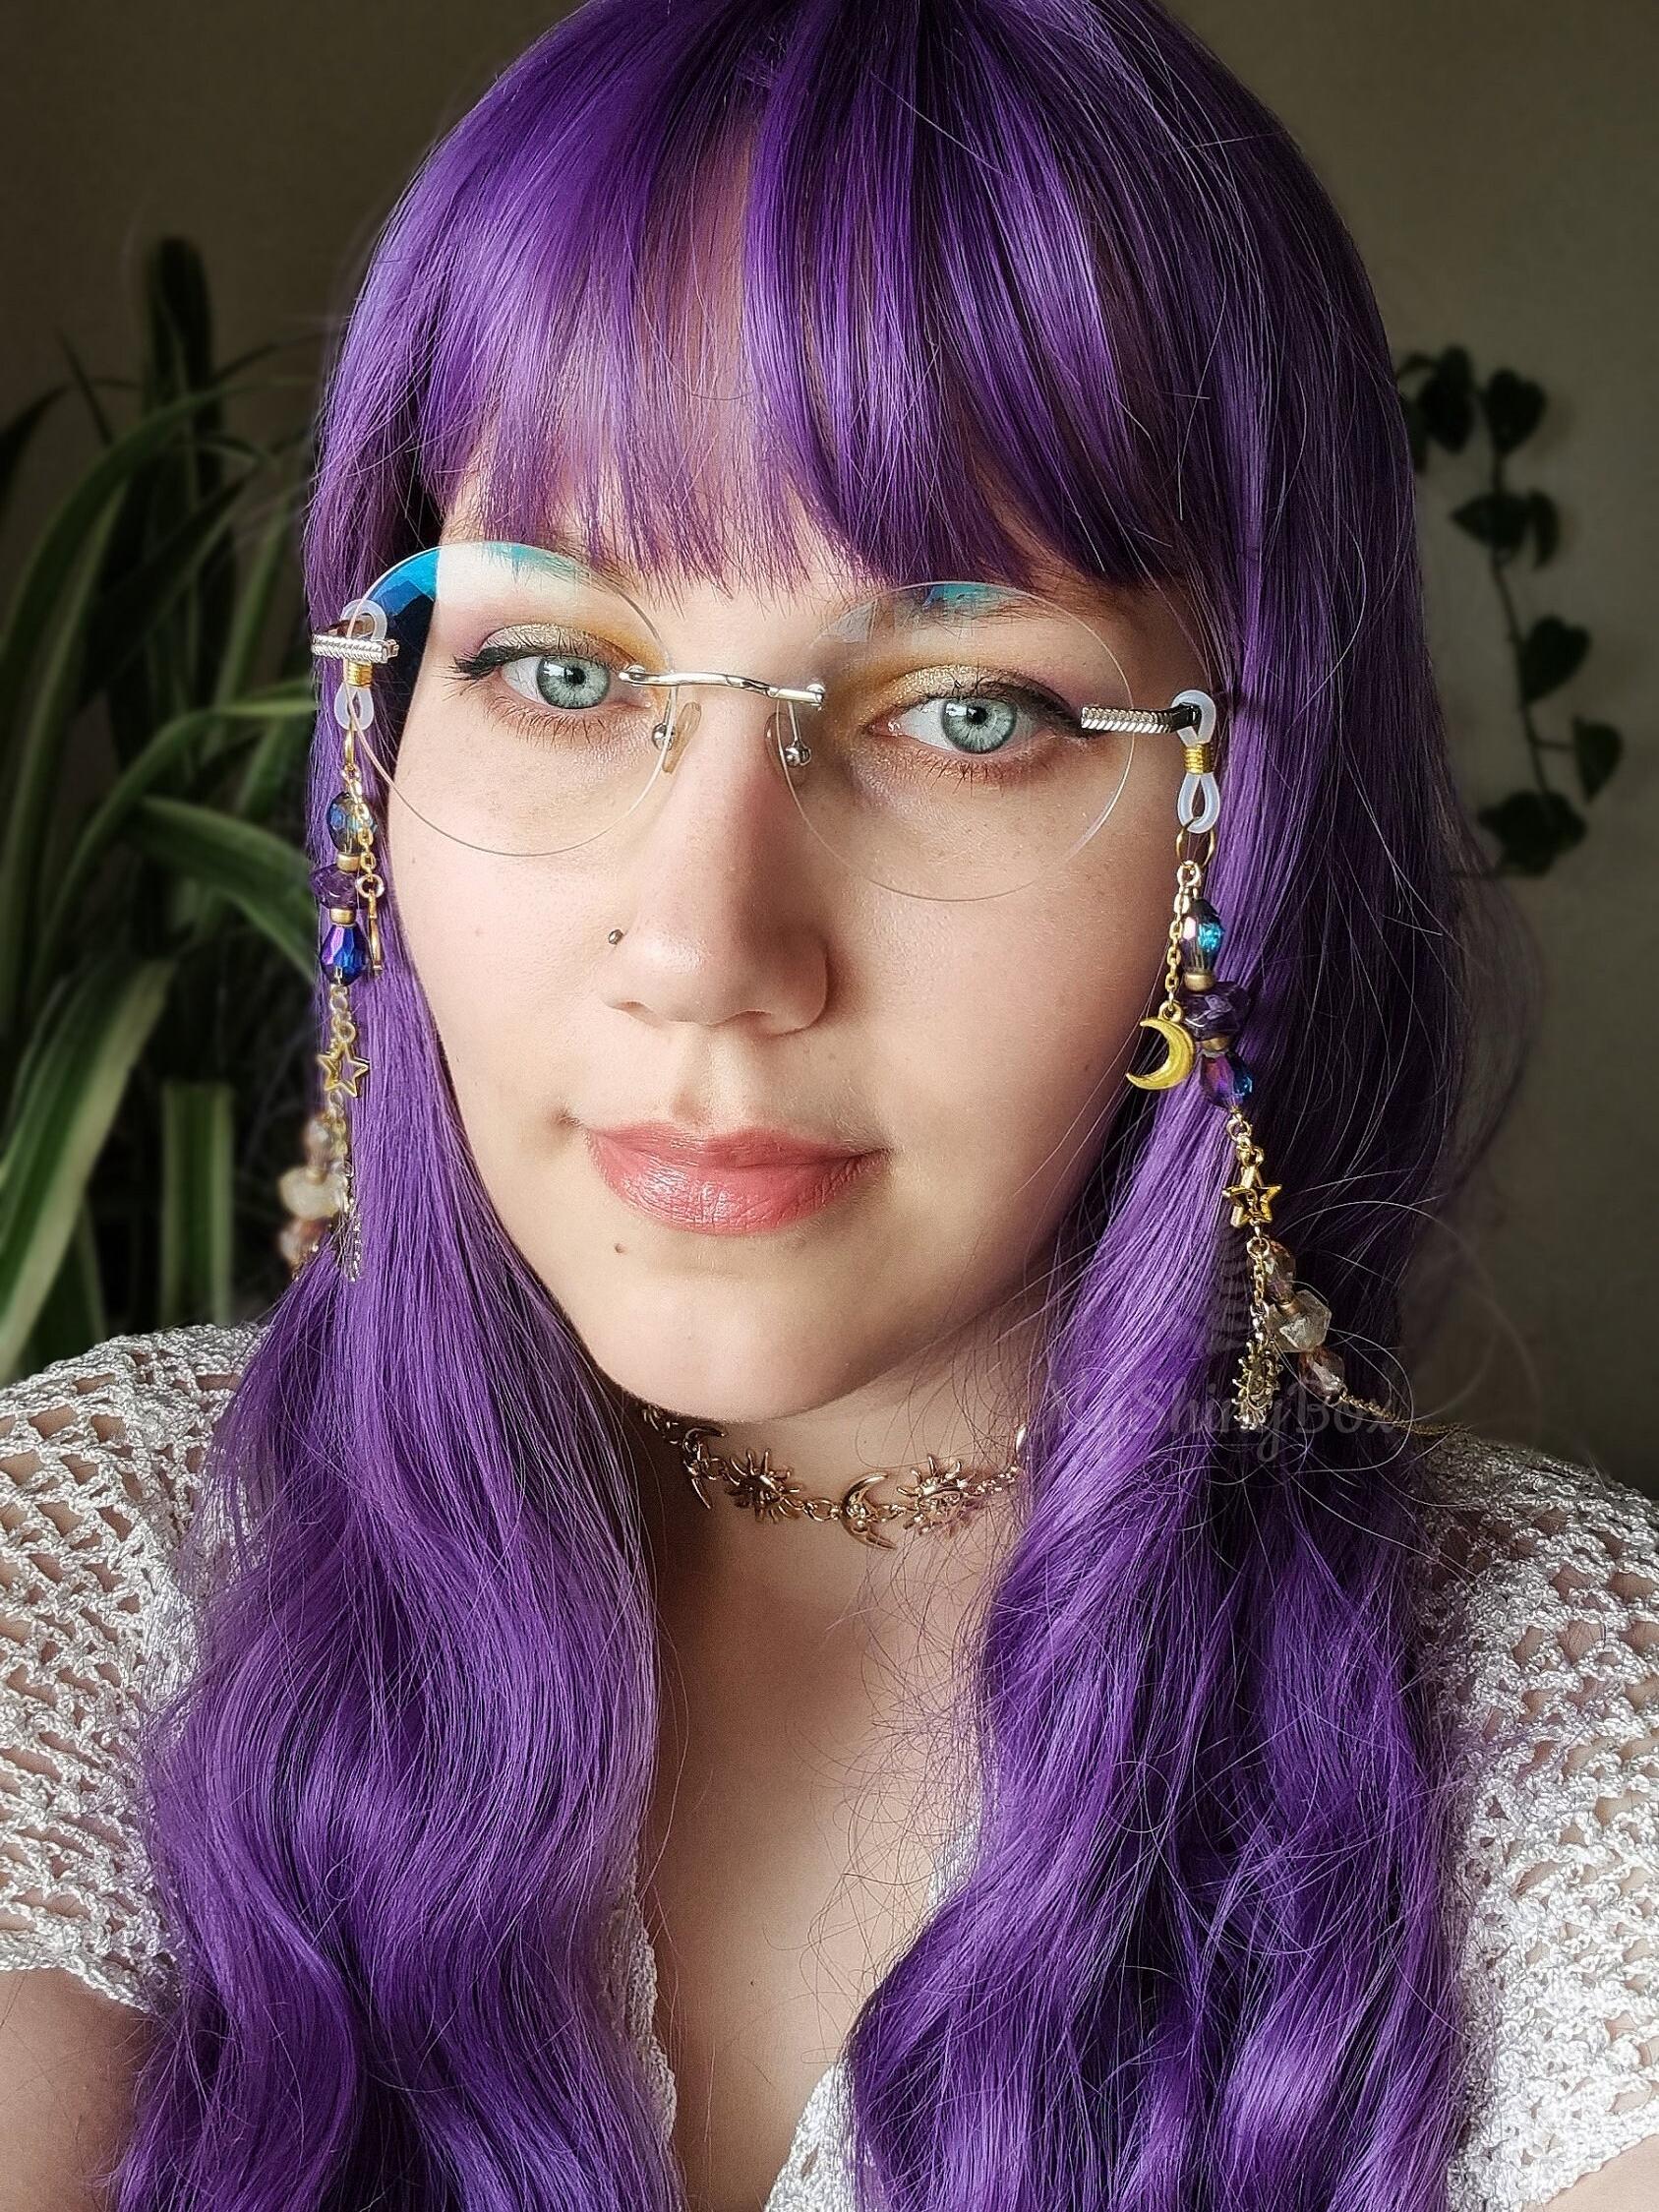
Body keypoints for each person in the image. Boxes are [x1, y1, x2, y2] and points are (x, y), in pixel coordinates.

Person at [2, 2, 1655, 2208]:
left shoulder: (1563, 1741)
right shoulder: (97, 1570)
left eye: (968, 711)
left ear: (1239, 826)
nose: (703, 944)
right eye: (559, 669)